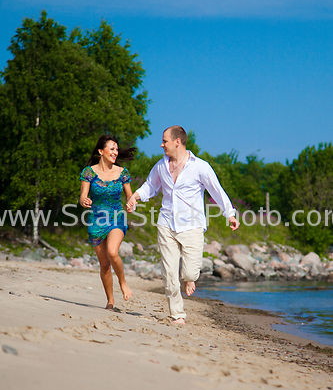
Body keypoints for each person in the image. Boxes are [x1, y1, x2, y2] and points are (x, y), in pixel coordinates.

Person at [126, 125, 240, 325]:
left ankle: (189, 278)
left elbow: (217, 190)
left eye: (165, 141)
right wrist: (135, 196)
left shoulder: (200, 166)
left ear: (177, 141)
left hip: (193, 226)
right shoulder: (161, 166)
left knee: (189, 272)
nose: (161, 145)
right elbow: (150, 186)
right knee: (169, 273)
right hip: (166, 224)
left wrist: (230, 214)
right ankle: (177, 314)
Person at [80, 135, 135, 310]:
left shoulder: (122, 173)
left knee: (112, 252)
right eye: (111, 149)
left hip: (116, 217)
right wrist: (84, 200)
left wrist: (131, 203)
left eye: (117, 149)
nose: (115, 152)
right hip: (96, 220)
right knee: (104, 264)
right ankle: (110, 301)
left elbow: (130, 196)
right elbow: (83, 195)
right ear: (101, 151)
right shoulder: (88, 172)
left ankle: (123, 282)